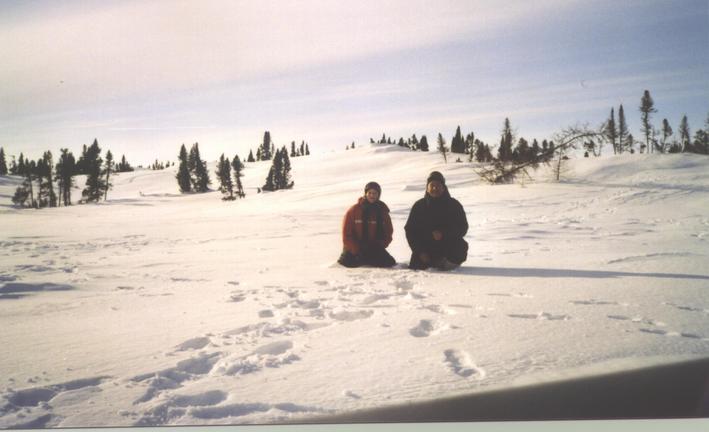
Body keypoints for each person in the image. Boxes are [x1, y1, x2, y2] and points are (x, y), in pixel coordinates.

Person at [405, 171, 468, 270]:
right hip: (425, 249)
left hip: (447, 245)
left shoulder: (454, 205)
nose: (435, 188)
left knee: (461, 247)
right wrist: (420, 252)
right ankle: (431, 263)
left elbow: (463, 227)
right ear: (427, 188)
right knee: (416, 267)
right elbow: (410, 230)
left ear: (443, 187)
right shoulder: (419, 205)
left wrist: (444, 233)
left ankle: (445, 266)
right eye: (432, 185)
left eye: (438, 185)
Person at [338, 181, 396, 268]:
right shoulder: (354, 210)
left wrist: (380, 246)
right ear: (365, 193)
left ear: (378, 195)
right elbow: (346, 233)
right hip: (354, 248)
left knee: (389, 263)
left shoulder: (382, 211)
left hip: (373, 247)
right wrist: (355, 250)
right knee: (347, 263)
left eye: (375, 193)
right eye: (370, 193)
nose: (372, 195)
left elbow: (389, 231)